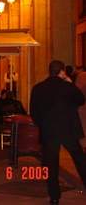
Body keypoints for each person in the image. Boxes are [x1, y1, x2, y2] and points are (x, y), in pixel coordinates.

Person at [30, 60, 86, 204]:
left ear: (50, 71)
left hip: (49, 131)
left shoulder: (38, 88)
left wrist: (42, 124)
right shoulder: (66, 87)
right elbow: (80, 99)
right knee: (79, 159)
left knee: (52, 165)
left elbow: (34, 112)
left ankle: (54, 196)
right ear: (62, 71)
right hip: (68, 130)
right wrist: (69, 82)